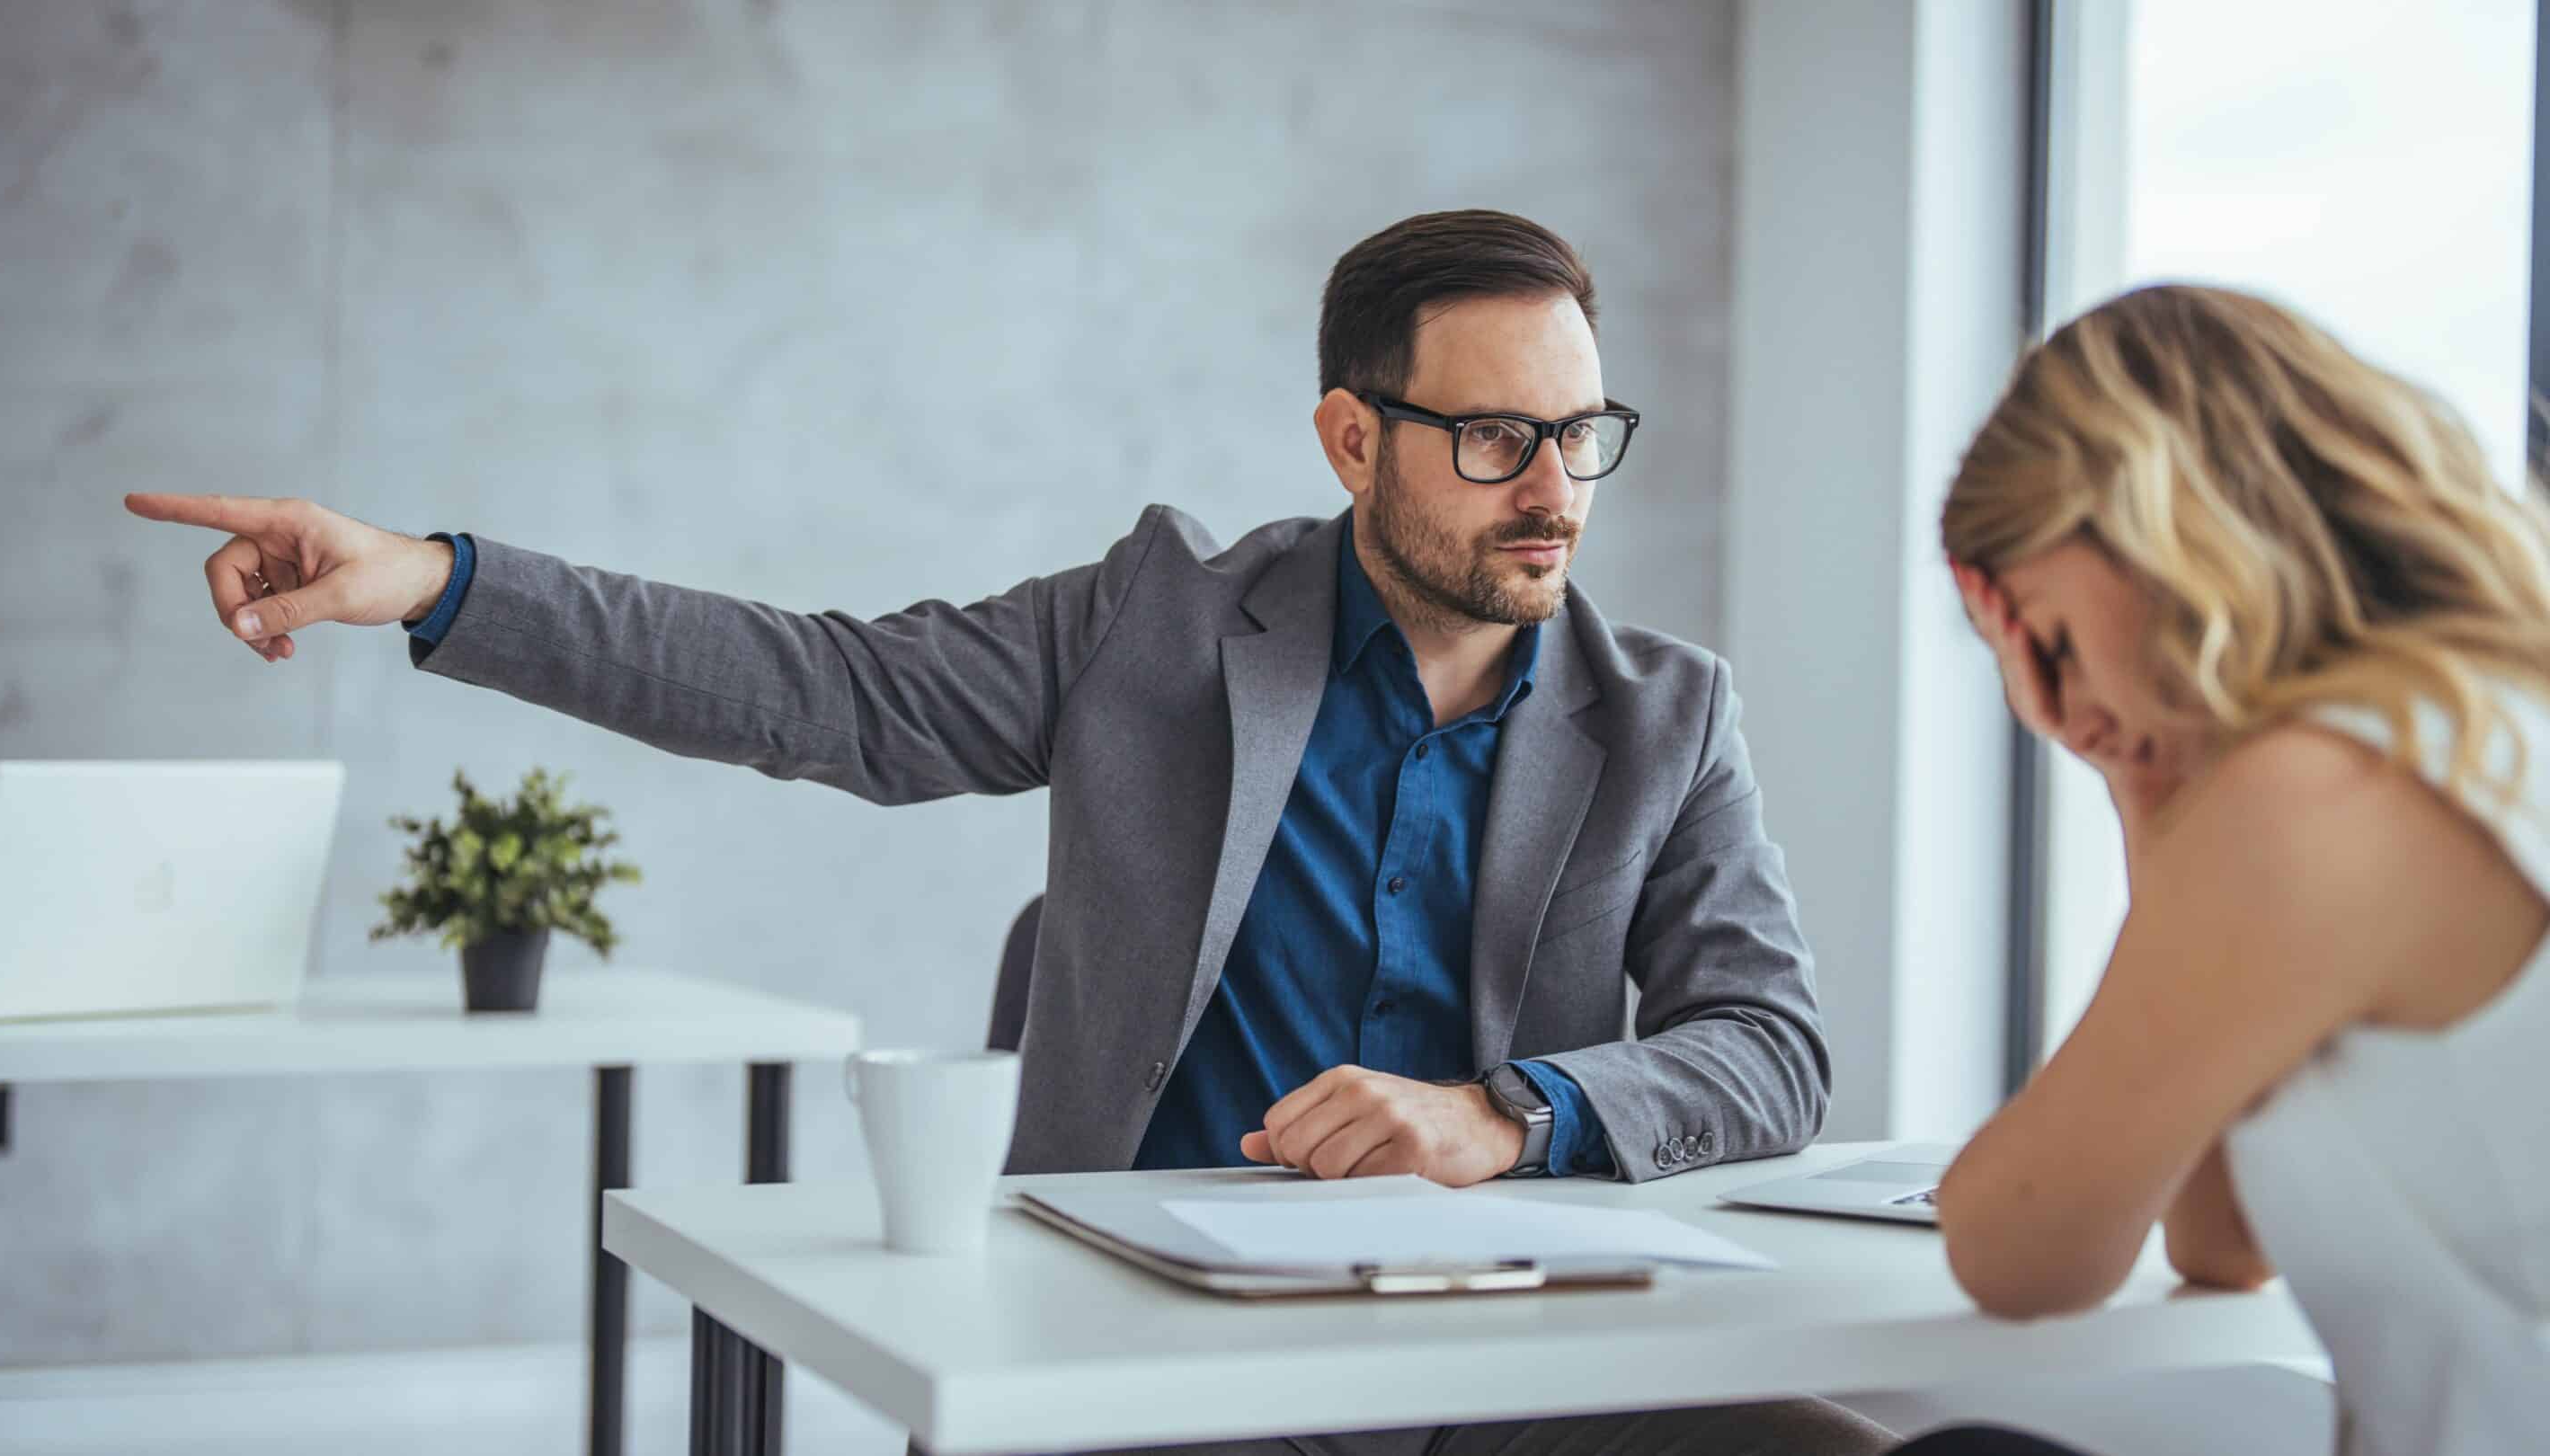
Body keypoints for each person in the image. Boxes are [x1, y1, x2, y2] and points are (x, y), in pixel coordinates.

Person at [128, 210, 1890, 1456]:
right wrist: (440, 583)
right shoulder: (1156, 625)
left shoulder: (1668, 711)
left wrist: (1507, 1119)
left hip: (1517, 1374)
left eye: (1584, 433)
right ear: (1356, 438)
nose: (1556, 490)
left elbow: (1774, 1050)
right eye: (1500, 437)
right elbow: (818, 687)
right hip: (1171, 1371)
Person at [1911, 284, 2550, 1456]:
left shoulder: (2329, 794)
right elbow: (2225, 1244)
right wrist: (2150, 794)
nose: (2059, 709)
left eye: (2044, 640)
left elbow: (2017, 1252)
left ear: (2148, 518)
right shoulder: (2479, 722)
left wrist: (2150, 789)